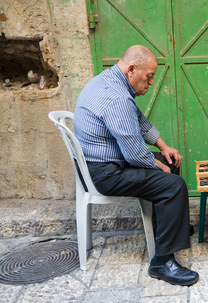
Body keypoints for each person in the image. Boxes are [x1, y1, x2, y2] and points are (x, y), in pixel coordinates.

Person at [74, 45, 199, 286]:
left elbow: (137, 119)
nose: (151, 82)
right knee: (173, 185)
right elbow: (134, 154)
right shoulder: (116, 97)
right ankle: (162, 262)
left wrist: (163, 147)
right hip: (106, 172)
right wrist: (157, 166)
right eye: (149, 76)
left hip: (104, 161)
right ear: (132, 69)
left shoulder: (110, 81)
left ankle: (172, 229)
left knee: (170, 161)